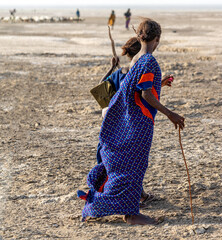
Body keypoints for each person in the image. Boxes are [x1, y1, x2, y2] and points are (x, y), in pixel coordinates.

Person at [78, 19, 184, 225]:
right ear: (157, 39)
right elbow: (145, 95)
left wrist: (158, 83)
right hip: (138, 124)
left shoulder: (136, 59)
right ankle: (131, 214)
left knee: (125, 168)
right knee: (134, 168)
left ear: (140, 36)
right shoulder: (149, 62)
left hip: (128, 122)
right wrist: (170, 113)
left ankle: (100, 206)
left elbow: (132, 88)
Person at [96, 36, 173, 208]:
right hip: (125, 125)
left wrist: (111, 67)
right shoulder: (133, 73)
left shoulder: (120, 74)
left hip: (112, 125)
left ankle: (139, 195)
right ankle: (125, 197)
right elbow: (140, 94)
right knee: (129, 162)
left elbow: (101, 89)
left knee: (121, 162)